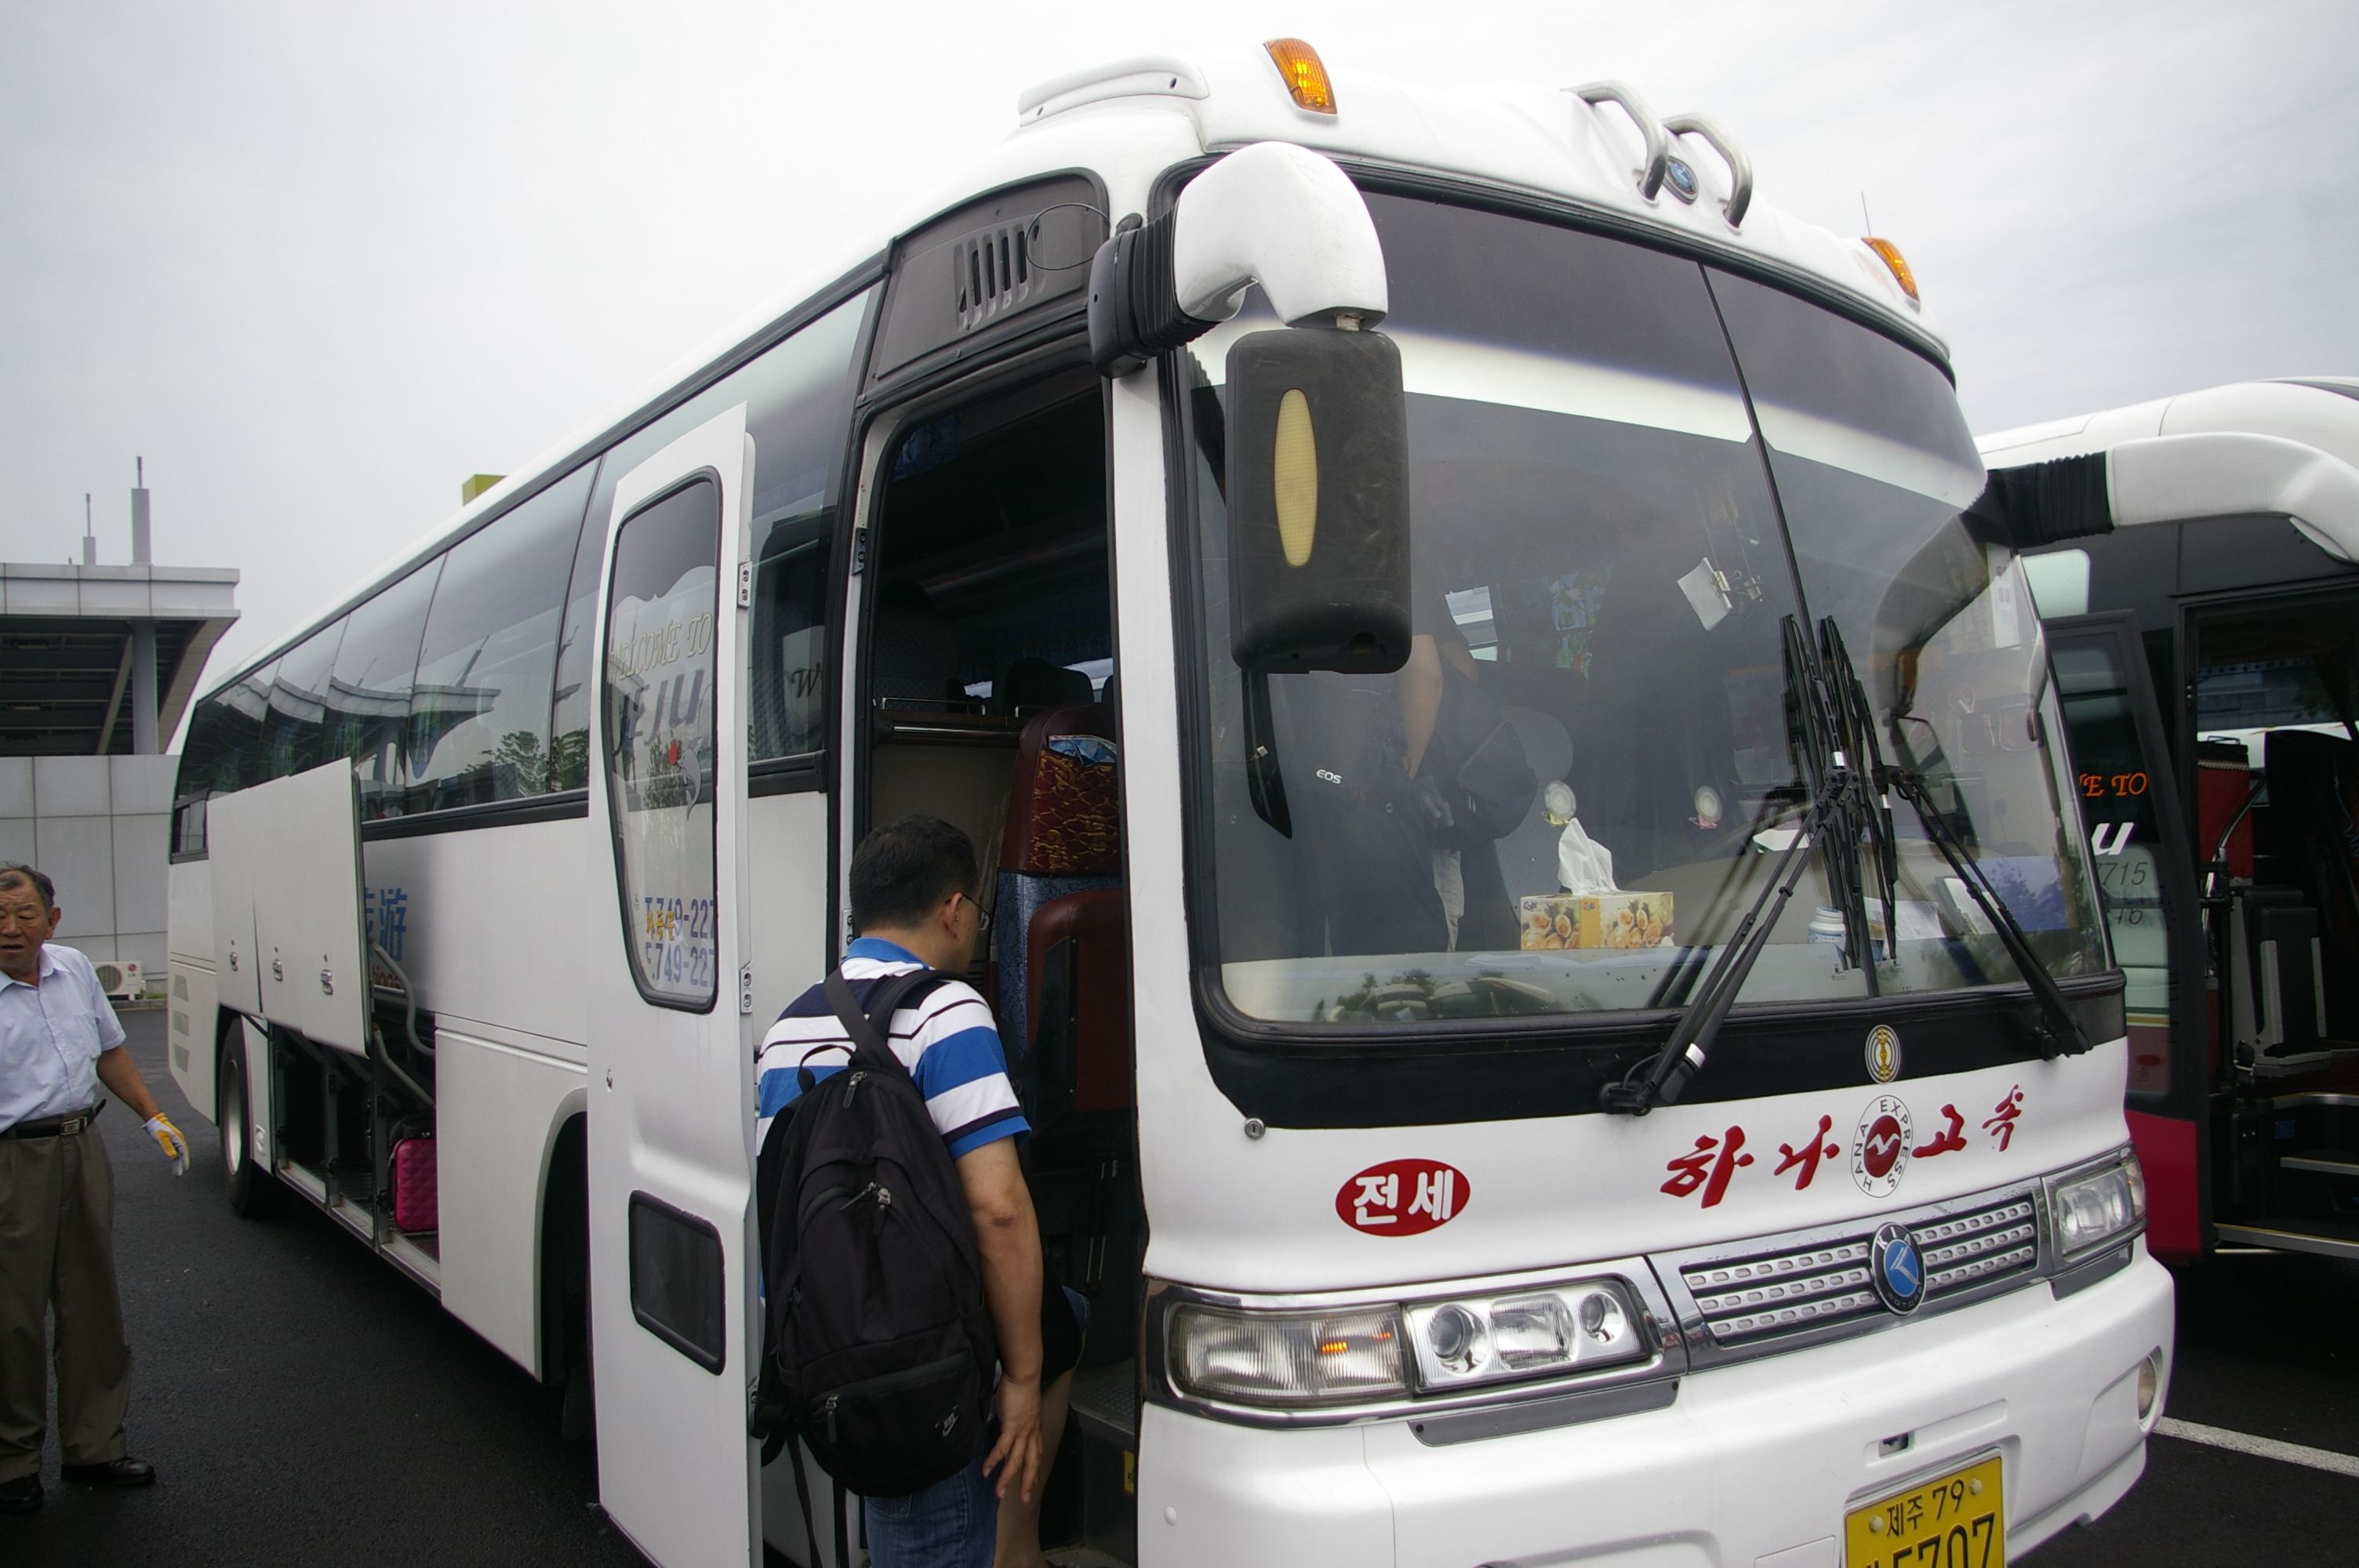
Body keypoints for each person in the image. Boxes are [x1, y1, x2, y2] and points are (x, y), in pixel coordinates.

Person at [754, 817, 1084, 1568]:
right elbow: (997, 1209)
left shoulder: (788, 1027)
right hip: (929, 1353)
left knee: (1070, 1318)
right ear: (954, 910)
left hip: (830, 1345)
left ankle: (1018, 1554)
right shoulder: (948, 1011)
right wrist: (1023, 1379)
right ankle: (1016, 1552)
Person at [0, 862, 188, 1515]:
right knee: (12, 1319)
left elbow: (109, 1050)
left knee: (91, 1305)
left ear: (51, 921)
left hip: (82, 1147)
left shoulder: (74, 969)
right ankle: (13, 1462)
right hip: (9, 1160)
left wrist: (152, 1114)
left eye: (25, 916)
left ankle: (95, 1447)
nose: (11, 930)